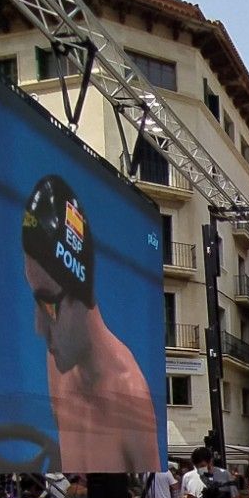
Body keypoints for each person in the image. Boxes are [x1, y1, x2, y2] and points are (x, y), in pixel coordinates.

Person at [21, 174, 158, 472]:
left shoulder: (130, 393)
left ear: (81, 297)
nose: (38, 328)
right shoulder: (58, 365)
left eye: (47, 304)